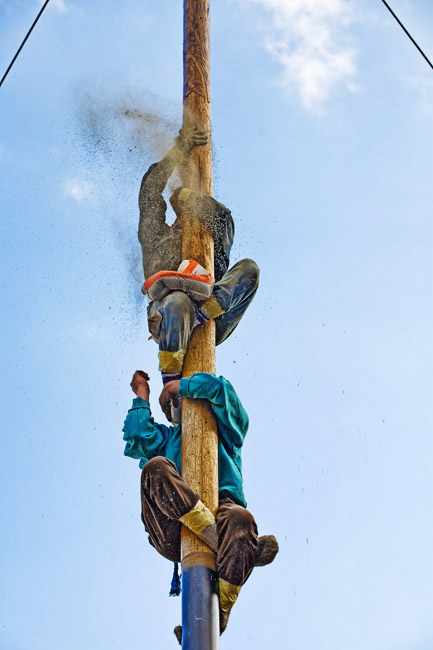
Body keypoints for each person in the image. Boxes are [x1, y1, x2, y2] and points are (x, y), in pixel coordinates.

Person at [122, 369, 278, 637]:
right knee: (155, 467)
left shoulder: (227, 430)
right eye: (169, 406)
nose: (174, 404)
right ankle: (231, 548)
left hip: (224, 511)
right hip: (171, 524)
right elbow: (136, 437)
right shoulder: (168, 440)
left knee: (241, 519)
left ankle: (220, 612)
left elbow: (222, 392)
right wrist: (141, 394)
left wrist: (182, 385)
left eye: (178, 399)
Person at [138, 127, 259, 387]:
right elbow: (149, 190)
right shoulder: (155, 239)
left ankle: (203, 311)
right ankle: (170, 380)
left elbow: (223, 218)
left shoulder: (213, 249)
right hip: (169, 316)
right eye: (181, 220)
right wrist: (179, 148)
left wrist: (184, 196)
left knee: (250, 269)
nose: (183, 224)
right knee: (179, 301)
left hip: (212, 318)